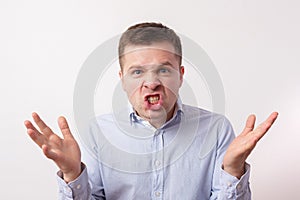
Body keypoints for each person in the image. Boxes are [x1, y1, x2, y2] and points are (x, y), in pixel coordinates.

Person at [24, 22, 278, 200]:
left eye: (164, 70)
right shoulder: (99, 132)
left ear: (180, 76)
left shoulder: (216, 129)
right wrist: (72, 174)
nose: (152, 82)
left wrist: (233, 170)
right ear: (122, 80)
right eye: (137, 72)